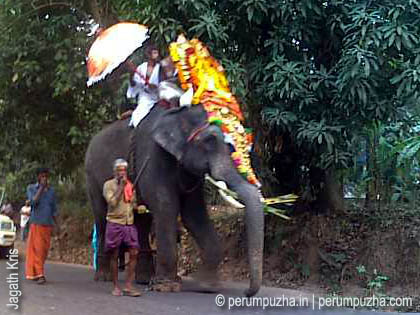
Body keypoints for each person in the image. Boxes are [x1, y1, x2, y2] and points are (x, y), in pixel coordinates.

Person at [103, 159, 141, 297]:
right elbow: (112, 202)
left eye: (124, 170)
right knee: (114, 254)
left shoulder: (130, 186)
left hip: (128, 223)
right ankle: (115, 286)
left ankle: (129, 285)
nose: (122, 173)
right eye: (119, 170)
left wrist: (139, 207)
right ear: (114, 172)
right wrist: (121, 187)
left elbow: (133, 203)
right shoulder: (108, 185)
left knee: (134, 252)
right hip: (114, 223)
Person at [25, 167, 58, 284]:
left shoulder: (52, 191)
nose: (44, 178)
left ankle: (36, 272)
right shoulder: (31, 188)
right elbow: (33, 202)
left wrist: (57, 225)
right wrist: (41, 189)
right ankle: (40, 274)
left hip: (48, 224)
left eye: (46, 176)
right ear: (38, 177)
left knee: (44, 250)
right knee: (37, 249)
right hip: (36, 223)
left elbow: (54, 209)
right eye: (42, 176)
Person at [126, 44, 164, 127]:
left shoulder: (160, 67)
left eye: (157, 53)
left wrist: (155, 87)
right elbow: (134, 84)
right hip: (146, 98)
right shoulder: (141, 68)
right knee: (138, 118)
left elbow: (164, 83)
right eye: (154, 53)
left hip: (159, 96)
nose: (156, 55)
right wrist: (131, 74)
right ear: (149, 55)